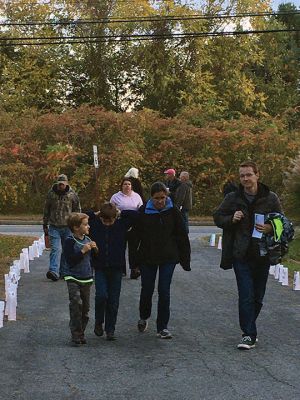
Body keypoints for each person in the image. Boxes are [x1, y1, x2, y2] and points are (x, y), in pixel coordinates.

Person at [213, 161, 282, 350]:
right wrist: (231, 219)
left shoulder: (271, 198)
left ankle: (250, 326)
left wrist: (270, 227)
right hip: (240, 254)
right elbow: (218, 217)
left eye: (248, 175)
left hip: (262, 254)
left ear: (257, 175)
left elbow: (282, 223)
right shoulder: (233, 198)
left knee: (258, 297)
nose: (245, 179)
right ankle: (248, 334)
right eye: (242, 175)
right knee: (245, 294)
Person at [131, 181, 191, 339]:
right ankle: (144, 316)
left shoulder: (173, 211)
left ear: (166, 196)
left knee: (164, 291)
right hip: (147, 256)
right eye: (157, 198)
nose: (160, 201)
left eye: (163, 198)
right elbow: (135, 237)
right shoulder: (143, 211)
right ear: (151, 197)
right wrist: (134, 263)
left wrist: (185, 260)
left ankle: (162, 327)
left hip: (168, 257)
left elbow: (182, 235)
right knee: (147, 289)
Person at [86, 203, 138, 341]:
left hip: (116, 267)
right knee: (101, 295)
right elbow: (82, 216)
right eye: (105, 220)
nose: (108, 223)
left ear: (116, 217)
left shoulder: (121, 225)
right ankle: (98, 321)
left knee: (113, 299)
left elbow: (136, 215)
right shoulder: (95, 225)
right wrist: (96, 214)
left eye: (110, 220)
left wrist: (120, 212)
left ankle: (110, 329)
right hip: (100, 266)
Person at [63, 213, 97, 346]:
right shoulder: (69, 241)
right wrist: (83, 251)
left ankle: (81, 332)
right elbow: (71, 260)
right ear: (76, 227)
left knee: (85, 309)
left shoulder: (88, 239)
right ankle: (76, 334)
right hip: (72, 276)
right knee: (76, 303)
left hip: (86, 277)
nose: (88, 226)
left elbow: (95, 259)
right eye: (85, 224)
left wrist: (94, 249)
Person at [43, 174, 81, 281]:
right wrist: (45, 224)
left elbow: (77, 210)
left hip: (68, 227)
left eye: (63, 184)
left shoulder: (72, 195)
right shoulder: (51, 194)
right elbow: (46, 209)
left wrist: (77, 224)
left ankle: (64, 271)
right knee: (56, 248)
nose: (61, 186)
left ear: (67, 184)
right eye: (60, 184)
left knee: (66, 249)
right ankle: (53, 271)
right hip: (54, 226)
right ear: (57, 183)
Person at [110, 178, 143, 278]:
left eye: (129, 184)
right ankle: (121, 269)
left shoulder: (136, 196)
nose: (127, 186)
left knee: (133, 249)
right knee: (120, 247)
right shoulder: (116, 197)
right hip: (120, 225)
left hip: (134, 226)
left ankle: (134, 269)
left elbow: (140, 210)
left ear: (131, 186)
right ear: (121, 186)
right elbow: (110, 210)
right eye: (125, 184)